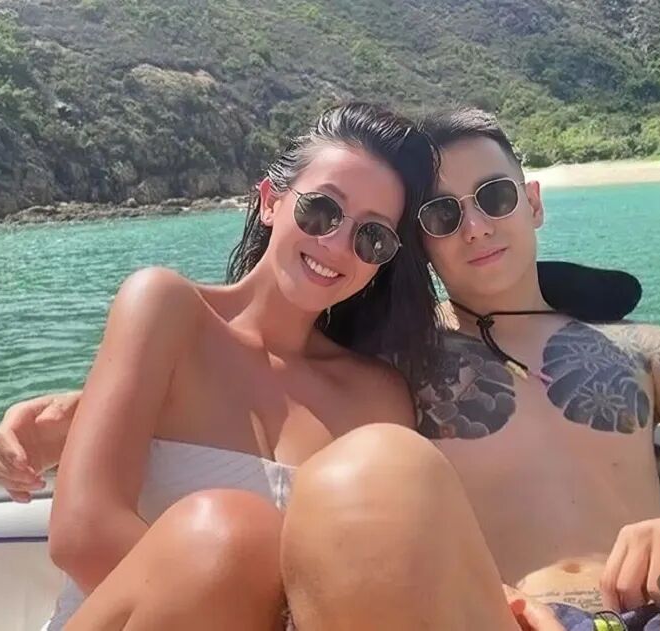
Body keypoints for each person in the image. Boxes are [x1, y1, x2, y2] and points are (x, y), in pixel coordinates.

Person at [0, 108, 660, 631]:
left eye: (496, 197)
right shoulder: (401, 365)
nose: (474, 225)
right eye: (440, 214)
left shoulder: (641, 352)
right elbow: (257, 383)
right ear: (417, 251)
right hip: (509, 614)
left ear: (535, 202)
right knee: (372, 470)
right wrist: (82, 410)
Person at [25, 101, 443, 629]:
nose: (337, 244)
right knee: (226, 529)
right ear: (270, 202)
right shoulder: (168, 309)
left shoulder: (378, 397)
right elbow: (83, 533)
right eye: (321, 210)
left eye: (372, 237)